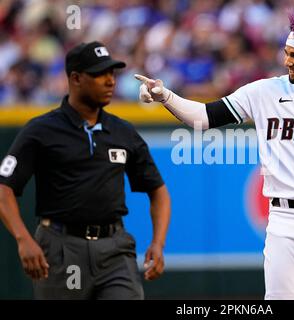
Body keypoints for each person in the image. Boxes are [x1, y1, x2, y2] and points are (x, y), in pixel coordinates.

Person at [135, 3, 294, 300]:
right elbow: (203, 117)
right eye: (286, 53)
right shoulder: (264, 92)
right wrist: (165, 95)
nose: (287, 61)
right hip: (284, 221)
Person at [0, 41, 171, 300]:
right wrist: (23, 239)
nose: (110, 81)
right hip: (61, 247)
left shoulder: (122, 131)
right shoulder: (41, 130)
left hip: (115, 248)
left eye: (112, 73)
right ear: (76, 78)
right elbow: (4, 189)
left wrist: (158, 243)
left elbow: (158, 191)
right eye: (100, 74)